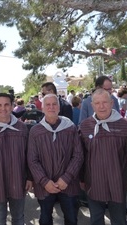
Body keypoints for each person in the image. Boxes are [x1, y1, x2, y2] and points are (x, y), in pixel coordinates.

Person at [28, 93, 83, 225]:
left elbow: (78, 155)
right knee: (45, 219)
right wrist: (44, 181)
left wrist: (66, 178)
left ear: (59, 107)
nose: (51, 107)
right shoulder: (35, 131)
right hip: (44, 186)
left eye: (54, 104)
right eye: (48, 104)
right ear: (42, 108)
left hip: (68, 184)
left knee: (71, 218)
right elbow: (32, 160)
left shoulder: (70, 128)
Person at [79, 89, 127, 225]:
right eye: (97, 103)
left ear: (111, 103)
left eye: (105, 102)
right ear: (92, 106)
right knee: (96, 219)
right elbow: (81, 156)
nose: (101, 106)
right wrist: (81, 178)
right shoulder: (85, 126)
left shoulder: (125, 125)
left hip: (118, 183)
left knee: (119, 220)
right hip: (94, 183)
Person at [0, 92, 32, 225]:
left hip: (18, 182)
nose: (3, 108)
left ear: (12, 106)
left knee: (19, 218)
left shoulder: (22, 128)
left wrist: (30, 177)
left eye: (7, 104)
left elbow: (29, 156)